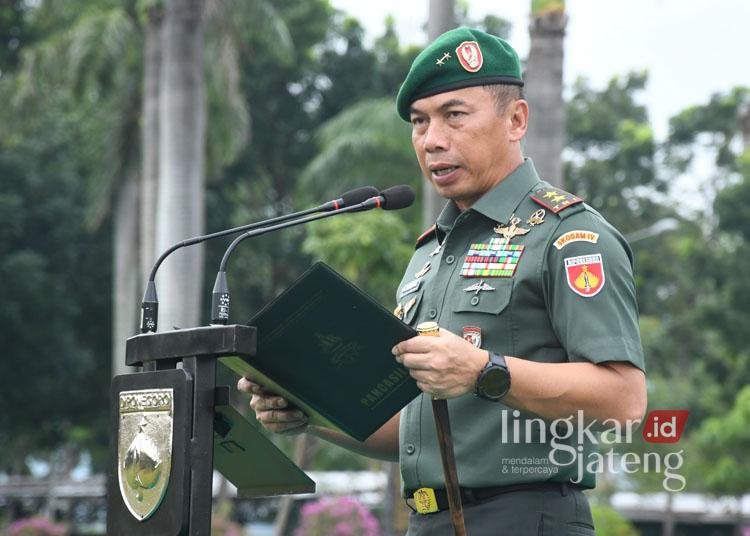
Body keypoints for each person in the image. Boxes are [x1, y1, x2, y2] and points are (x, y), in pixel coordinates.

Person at [239, 27, 646, 535]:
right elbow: (413, 431)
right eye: (419, 122)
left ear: (516, 120)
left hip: (526, 518)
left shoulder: (570, 237)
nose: (432, 140)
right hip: (428, 520)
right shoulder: (430, 253)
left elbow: (625, 401)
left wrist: (485, 371)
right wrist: (308, 411)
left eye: (454, 115)